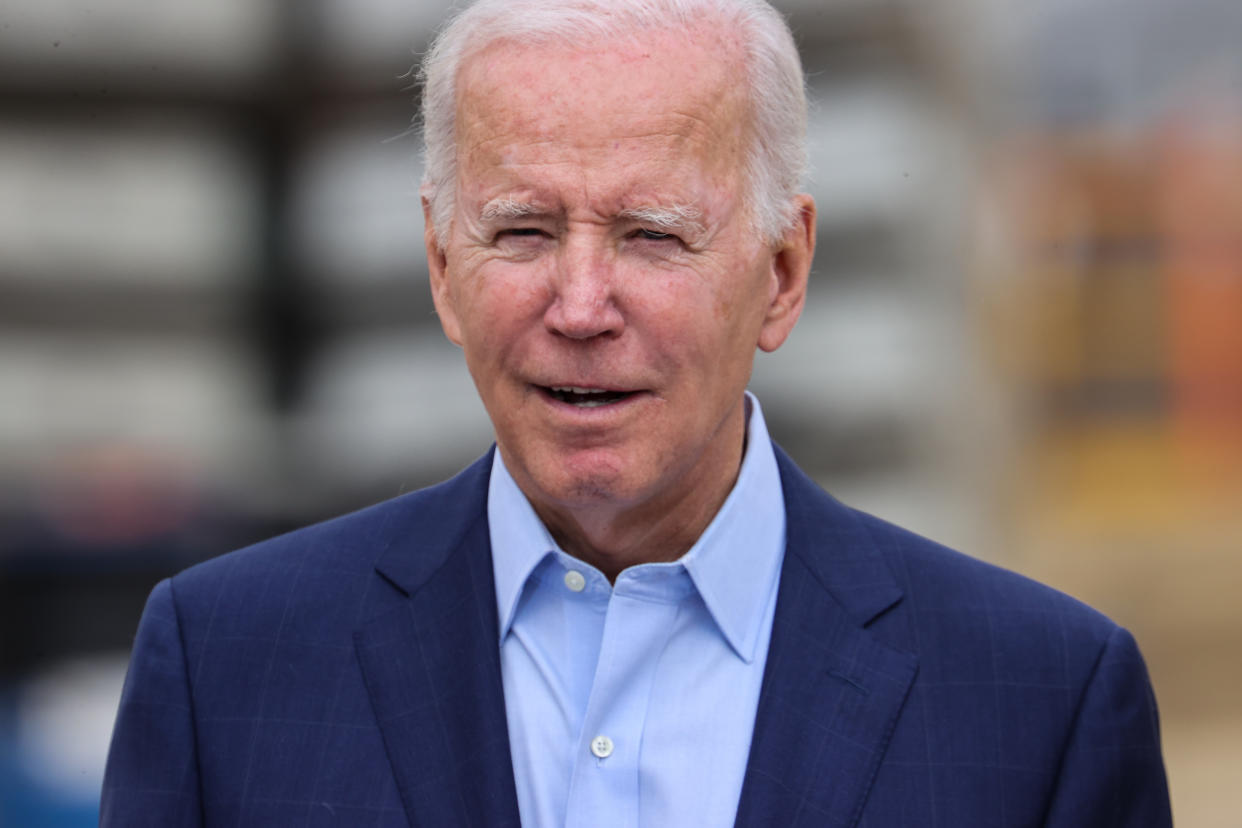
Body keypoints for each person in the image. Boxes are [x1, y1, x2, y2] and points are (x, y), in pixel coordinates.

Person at [101, 0, 1172, 825]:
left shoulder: (1040, 704)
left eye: (652, 235)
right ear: (439, 266)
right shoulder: (227, 669)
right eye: (521, 231)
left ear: (784, 273)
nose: (579, 306)